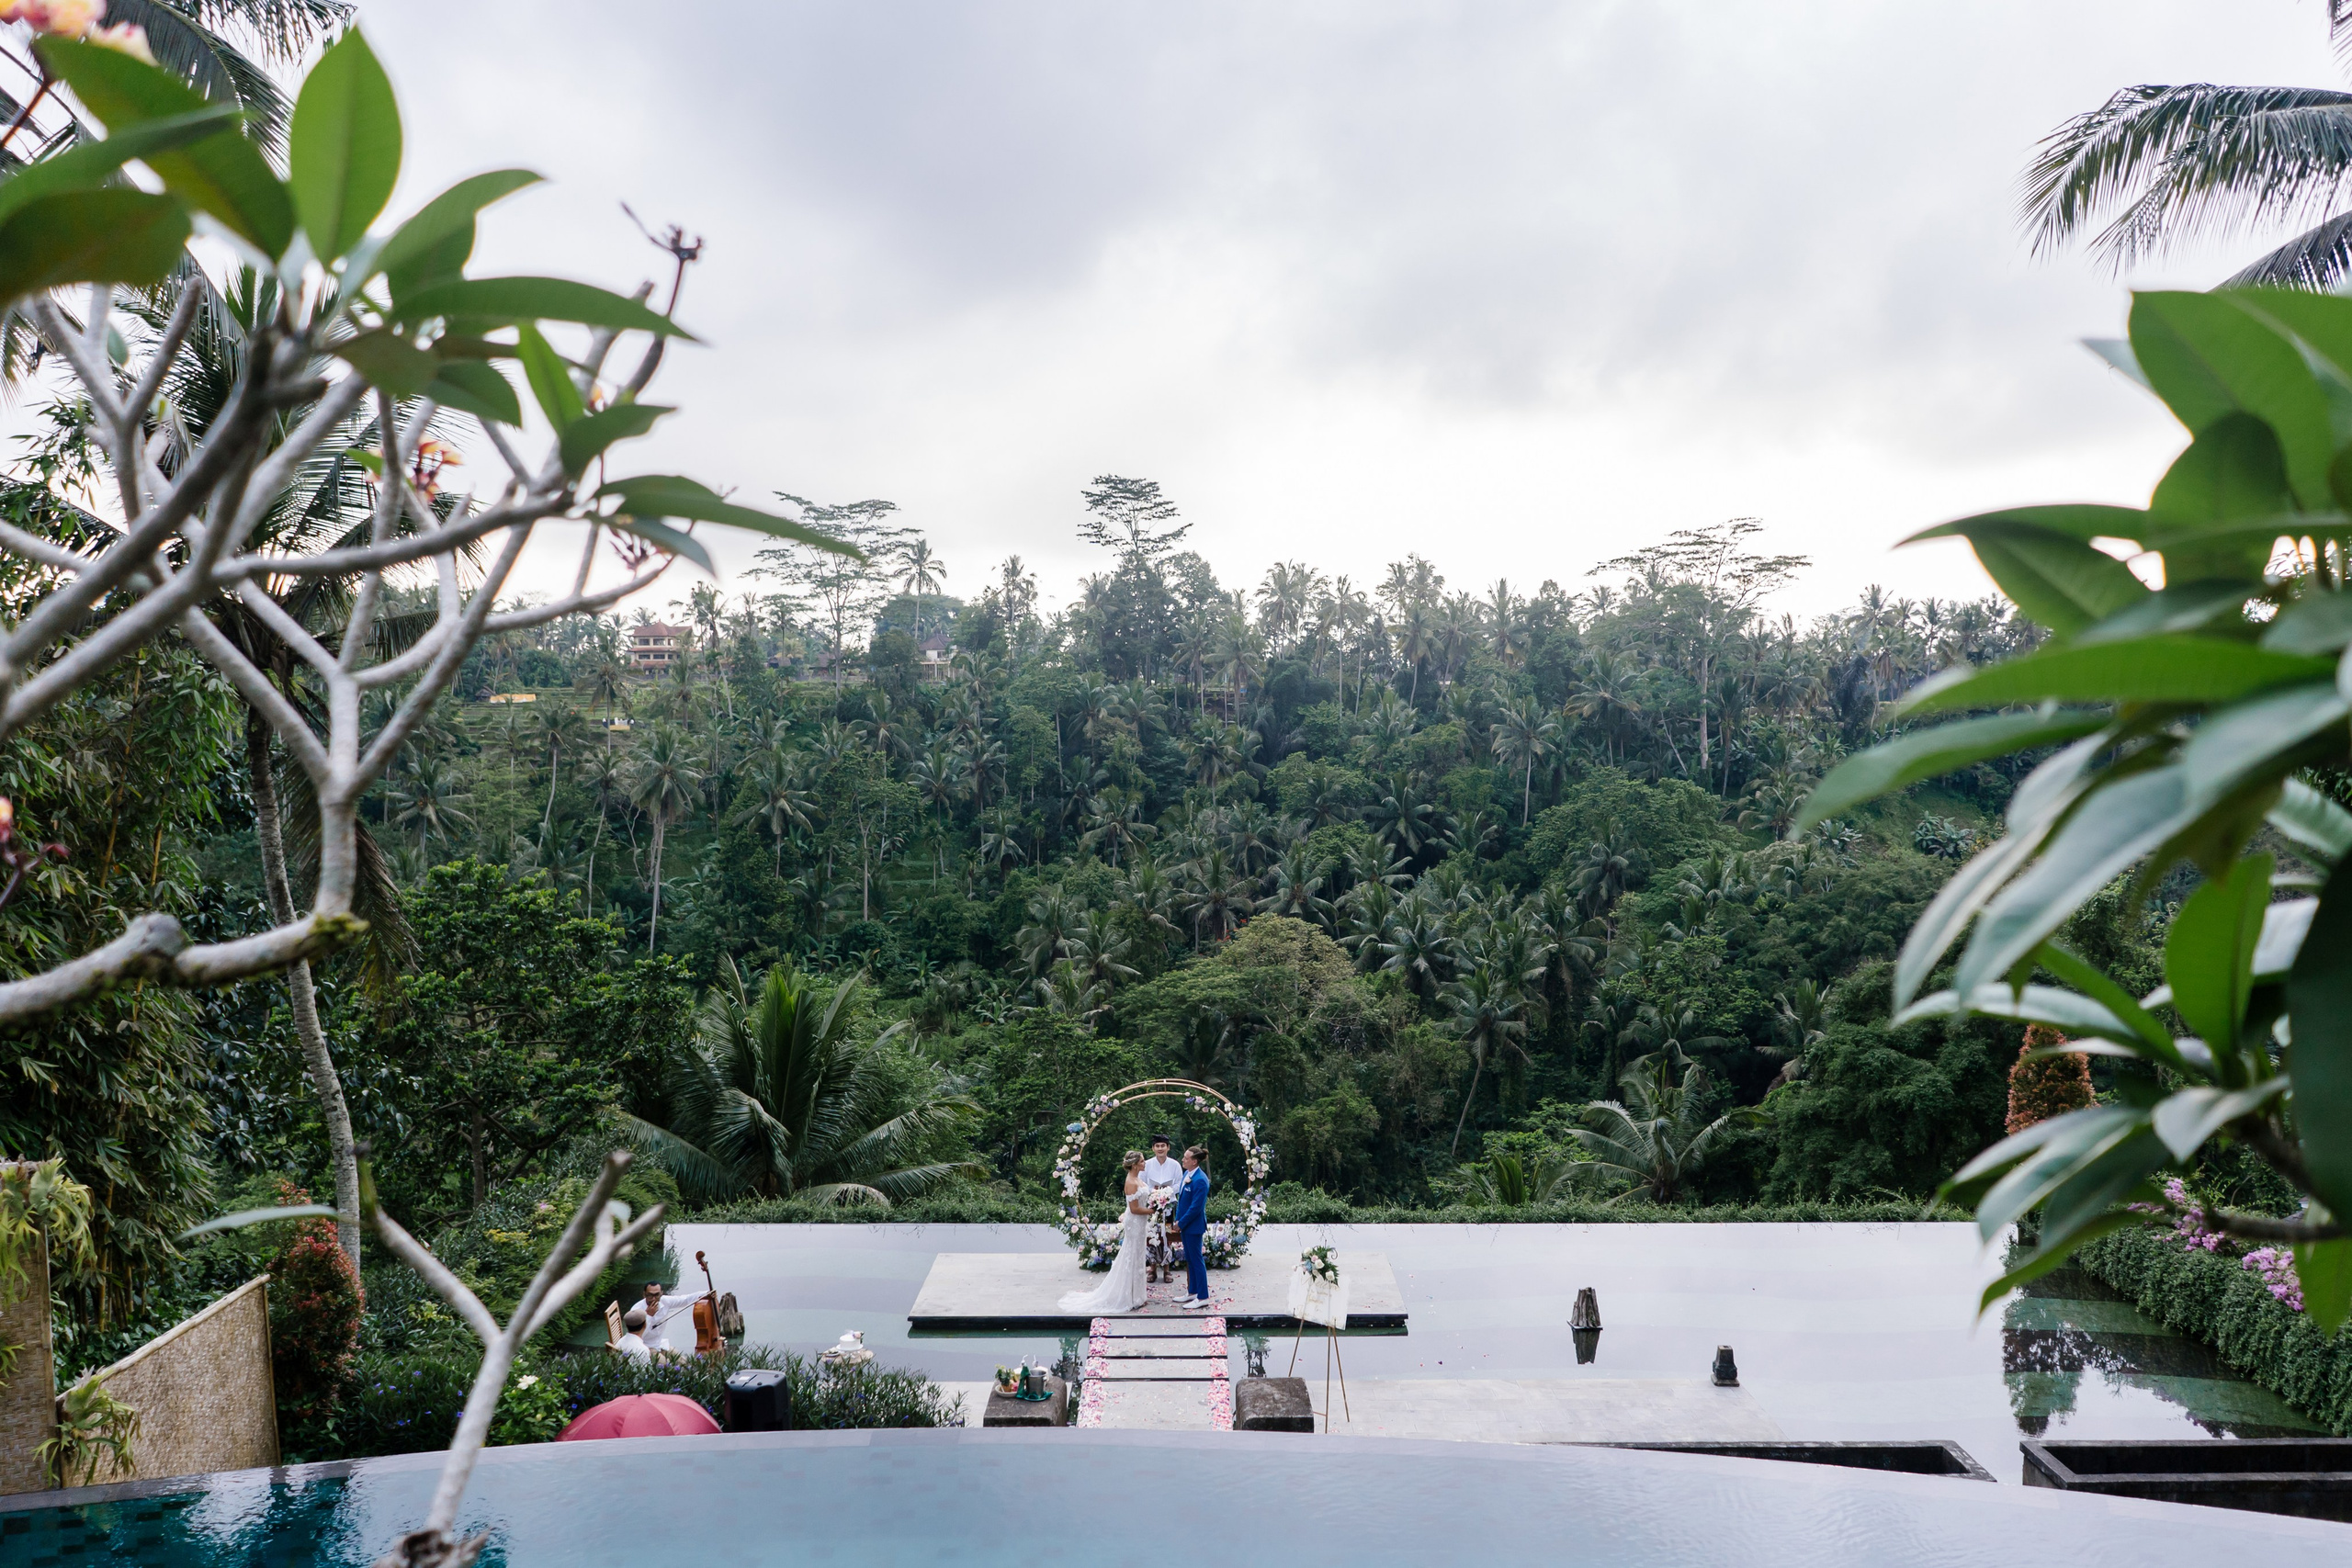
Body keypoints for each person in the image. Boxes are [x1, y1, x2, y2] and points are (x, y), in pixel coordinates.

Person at [1057, 1151, 1154, 1314]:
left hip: (1141, 1222)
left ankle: (1137, 1295)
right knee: (1132, 1255)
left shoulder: (1138, 1179)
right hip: (1135, 1222)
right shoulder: (1131, 1182)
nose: (1145, 1163)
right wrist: (1152, 1210)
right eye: (1143, 1161)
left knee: (1138, 1255)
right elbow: (1135, 1208)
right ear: (1135, 1164)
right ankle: (1130, 1297)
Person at [1174, 1145, 1212, 1310]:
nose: (1183, 1160)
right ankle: (1192, 1292)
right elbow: (1182, 1201)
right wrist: (1178, 1221)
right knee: (1190, 1259)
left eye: (1186, 1158)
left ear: (1194, 1161)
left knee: (1197, 1261)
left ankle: (1203, 1296)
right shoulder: (1187, 1175)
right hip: (1184, 1225)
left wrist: (1181, 1223)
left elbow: (1196, 1208)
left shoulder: (1201, 1180)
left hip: (1193, 1227)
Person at [1140, 1135, 1182, 1283]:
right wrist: (1155, 1191)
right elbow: (1142, 1183)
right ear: (1153, 1148)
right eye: (1157, 1146)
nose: (1160, 1149)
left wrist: (1167, 1191)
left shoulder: (1175, 1165)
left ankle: (1167, 1269)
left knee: (1167, 1236)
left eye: (1163, 1146)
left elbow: (1179, 1184)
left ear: (1168, 1147)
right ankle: (1152, 1269)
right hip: (1152, 1205)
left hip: (1169, 1204)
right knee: (1152, 1235)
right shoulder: (1147, 1164)